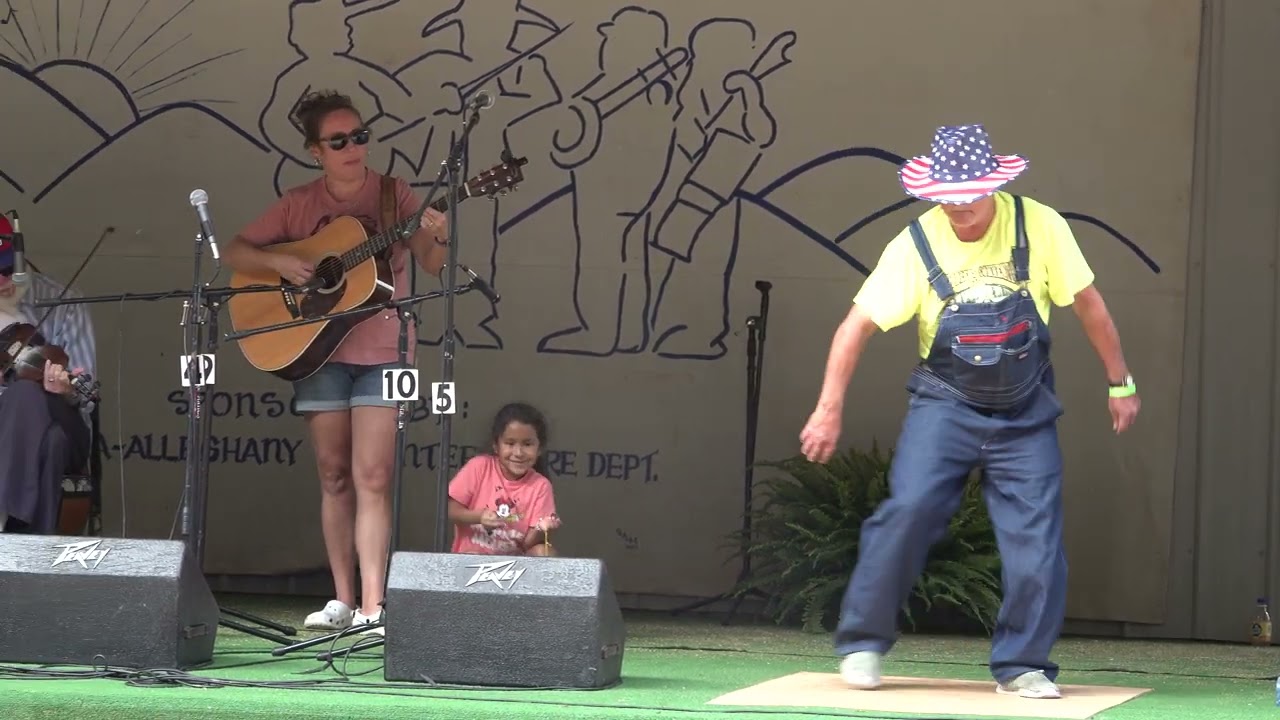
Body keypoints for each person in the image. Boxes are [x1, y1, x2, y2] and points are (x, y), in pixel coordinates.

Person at [798, 124, 1140, 700]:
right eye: (948, 200)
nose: (961, 212)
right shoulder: (915, 244)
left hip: (1025, 409)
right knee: (907, 512)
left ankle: (1022, 664)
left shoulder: (1041, 226)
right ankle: (862, 641)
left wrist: (1119, 382)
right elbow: (855, 327)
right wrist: (828, 408)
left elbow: (1088, 304)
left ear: (995, 186)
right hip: (945, 405)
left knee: (1037, 542)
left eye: (971, 199)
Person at [224, 90, 451, 632]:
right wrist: (280, 259)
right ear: (315, 151)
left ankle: (375, 606)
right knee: (333, 474)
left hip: (386, 346)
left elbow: (432, 263)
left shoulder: (396, 196)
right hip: (316, 347)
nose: (354, 147)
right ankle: (343, 600)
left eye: (361, 136)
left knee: (373, 473)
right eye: (339, 140)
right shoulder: (300, 203)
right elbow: (233, 251)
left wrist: (439, 235)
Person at [0, 227, 95, 534]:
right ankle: (30, 549)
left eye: (5, 270)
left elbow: (87, 398)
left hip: (66, 420)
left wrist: (68, 391)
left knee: (26, 394)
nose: (1, 281)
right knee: (49, 443)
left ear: (19, 260)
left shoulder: (63, 301)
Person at [448, 403, 561, 556]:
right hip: (469, 560)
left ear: (539, 448)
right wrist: (479, 517)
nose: (518, 452)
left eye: (527, 444)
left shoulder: (541, 485)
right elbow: (449, 510)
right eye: (510, 443)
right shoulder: (479, 466)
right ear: (496, 445)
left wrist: (542, 528)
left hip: (512, 571)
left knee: (545, 552)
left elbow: (528, 544)